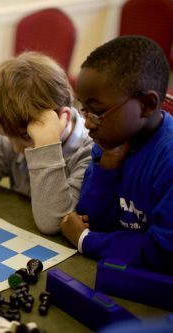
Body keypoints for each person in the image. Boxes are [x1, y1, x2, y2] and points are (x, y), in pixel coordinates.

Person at [0, 52, 93, 234]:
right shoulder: (12, 139)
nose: (15, 147)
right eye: (5, 135)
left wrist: (45, 144)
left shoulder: (89, 154)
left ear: (63, 118)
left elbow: (53, 223)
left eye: (27, 137)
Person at [60, 36, 173, 273]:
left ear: (147, 105)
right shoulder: (110, 143)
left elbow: (163, 252)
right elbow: (89, 219)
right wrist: (107, 171)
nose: (88, 124)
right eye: (84, 110)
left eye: (98, 112)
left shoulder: (167, 158)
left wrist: (87, 241)